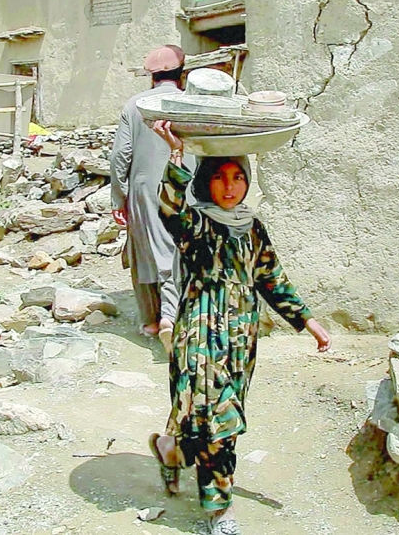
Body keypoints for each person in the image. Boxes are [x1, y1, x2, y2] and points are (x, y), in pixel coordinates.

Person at [146, 120, 332, 535]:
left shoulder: (253, 228)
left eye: (238, 177)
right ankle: (219, 509)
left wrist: (308, 322)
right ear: (205, 182)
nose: (230, 187)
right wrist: (176, 156)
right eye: (219, 177)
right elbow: (169, 212)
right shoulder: (196, 225)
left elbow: (271, 279)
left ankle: (170, 450)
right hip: (199, 332)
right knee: (212, 415)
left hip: (240, 338)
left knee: (210, 415)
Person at [110, 45, 189, 351]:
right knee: (172, 246)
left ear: (152, 76)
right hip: (184, 183)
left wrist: (119, 196)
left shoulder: (134, 105)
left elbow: (121, 155)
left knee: (144, 248)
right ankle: (168, 316)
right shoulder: (189, 102)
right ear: (181, 74)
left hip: (143, 188)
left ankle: (156, 319)